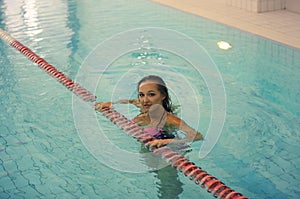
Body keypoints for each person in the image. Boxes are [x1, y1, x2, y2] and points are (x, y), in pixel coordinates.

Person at [95, 75, 204, 148]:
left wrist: (165, 142)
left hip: (170, 150)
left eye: (151, 94)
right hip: (149, 146)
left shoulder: (168, 118)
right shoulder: (143, 106)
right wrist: (112, 103)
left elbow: (197, 136)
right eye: (141, 95)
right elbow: (132, 101)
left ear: (163, 96)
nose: (145, 100)